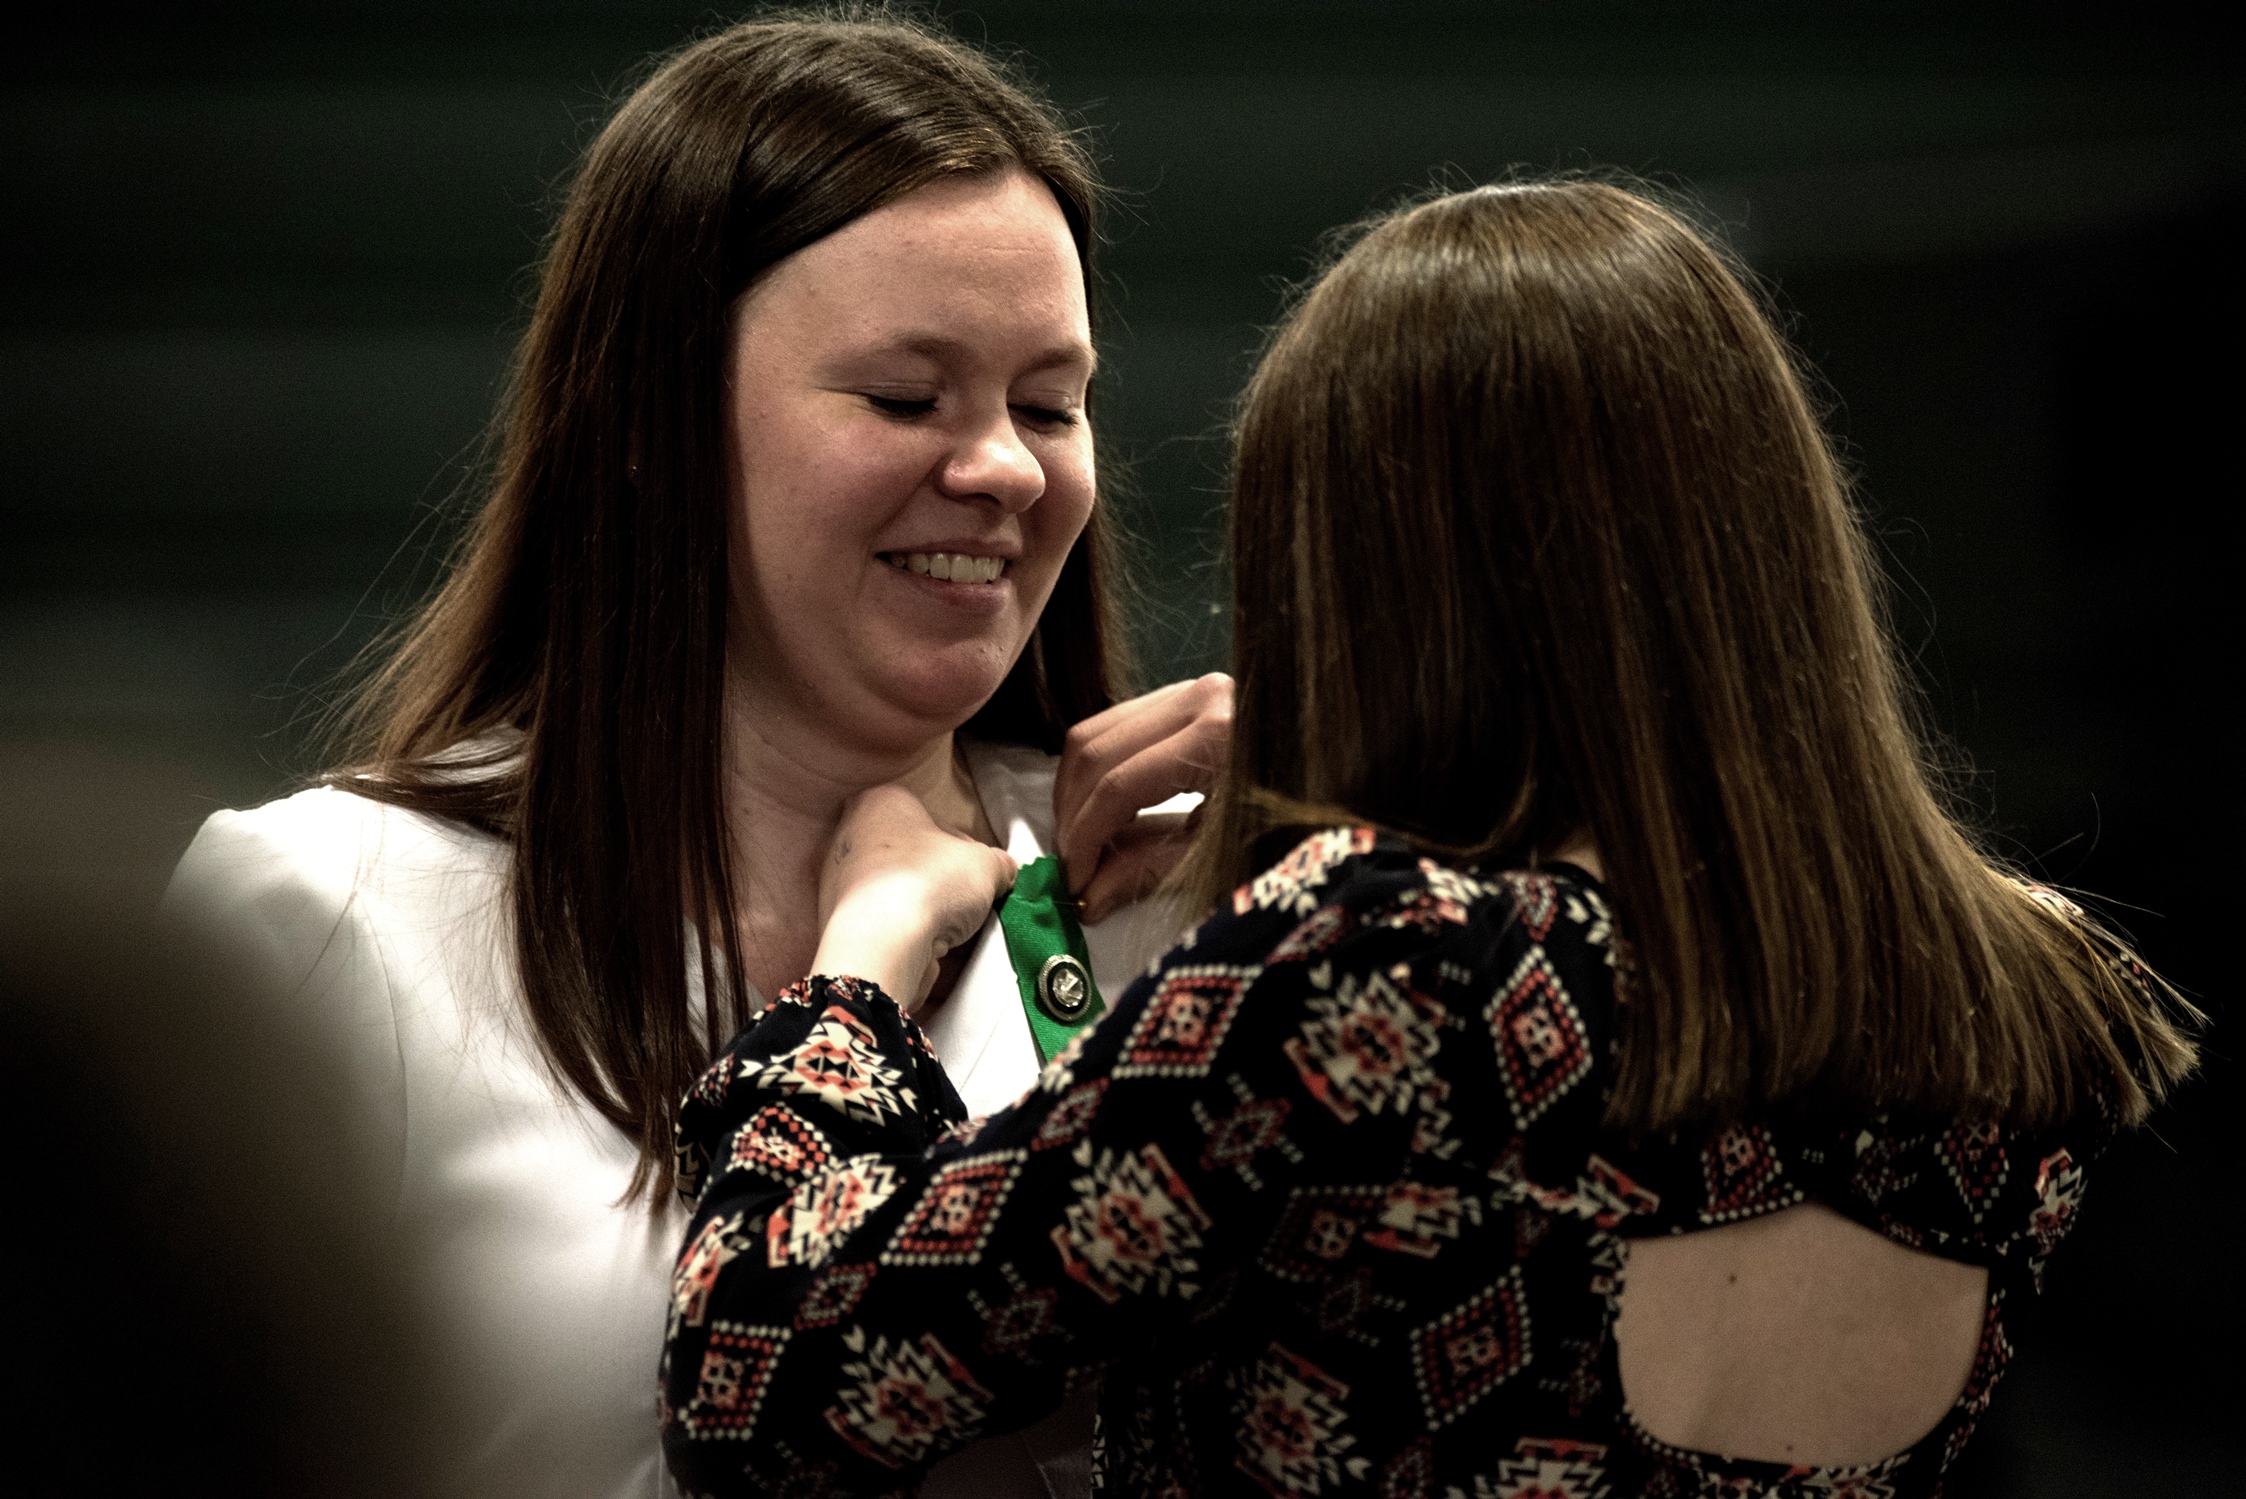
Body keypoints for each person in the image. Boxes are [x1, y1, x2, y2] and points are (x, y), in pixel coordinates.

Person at [660, 180, 2199, 1497]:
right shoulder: (2018, 984)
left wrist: (858, 962)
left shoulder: (1388, 964)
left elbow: (760, 1387)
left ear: (1358, 570)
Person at [161, 14, 1227, 1498]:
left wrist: (1422, 835)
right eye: (906, 397)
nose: (1002, 468)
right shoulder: (324, 915)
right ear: (652, 420)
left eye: (1049, 405)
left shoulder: (1190, 898)